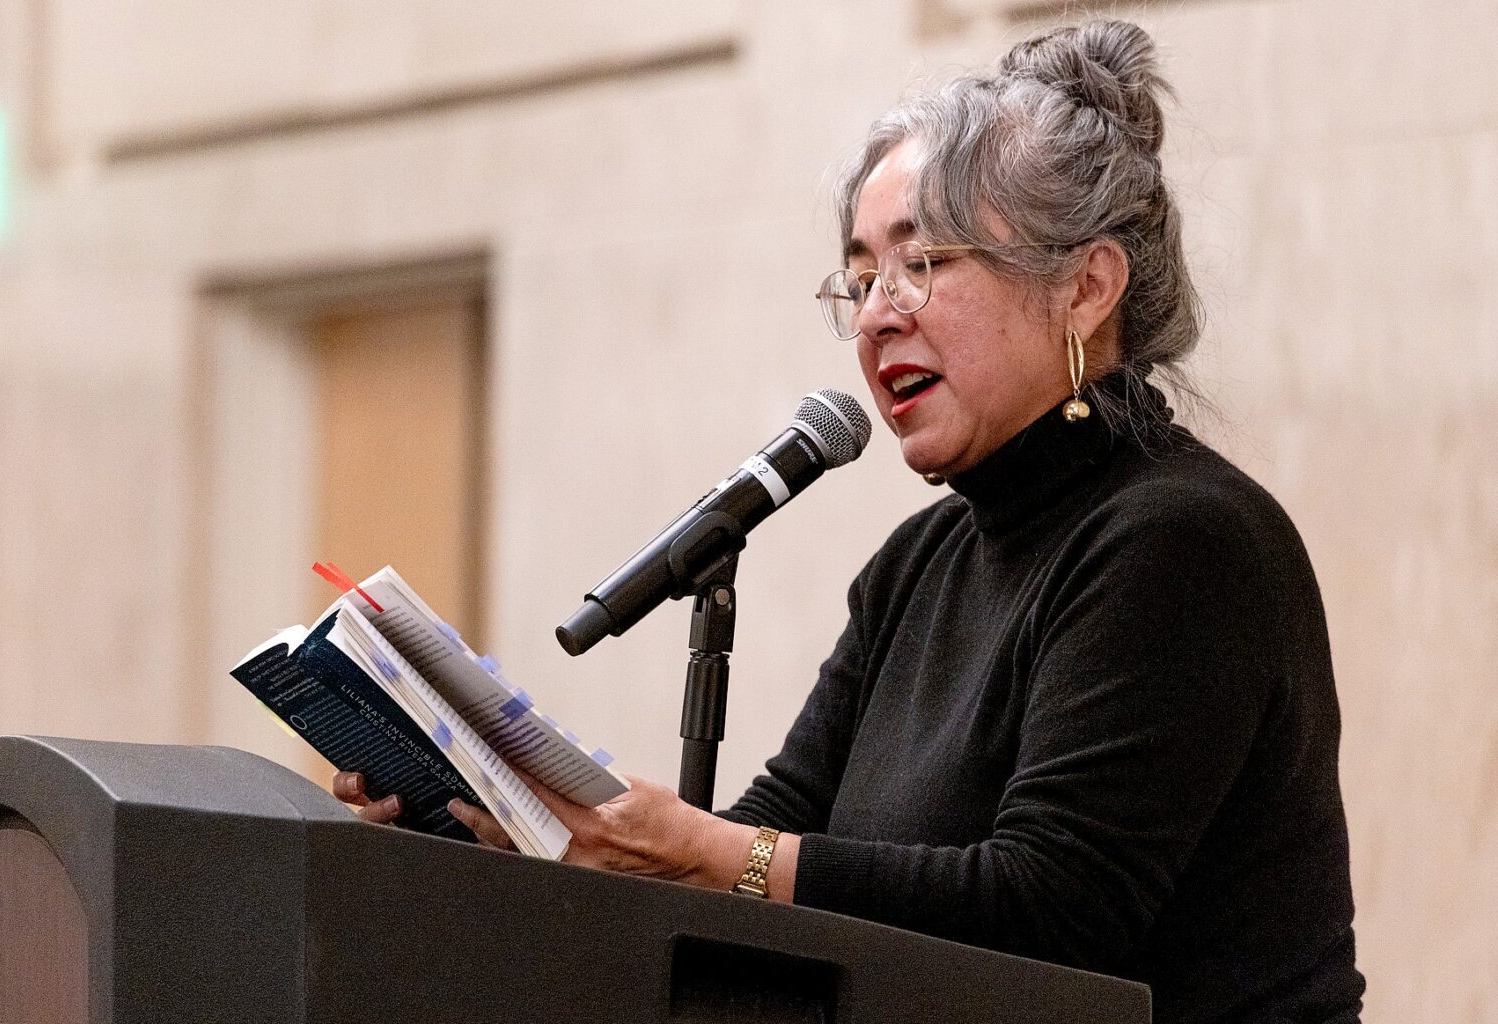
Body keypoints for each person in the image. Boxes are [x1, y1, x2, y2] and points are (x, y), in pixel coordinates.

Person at [335, 19, 1365, 1024]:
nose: (876, 315)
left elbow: (1052, 907)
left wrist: (695, 850)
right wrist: (505, 827)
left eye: (922, 264)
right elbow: (764, 851)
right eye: (861, 277)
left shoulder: (1181, 540)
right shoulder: (918, 564)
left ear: (1088, 287)